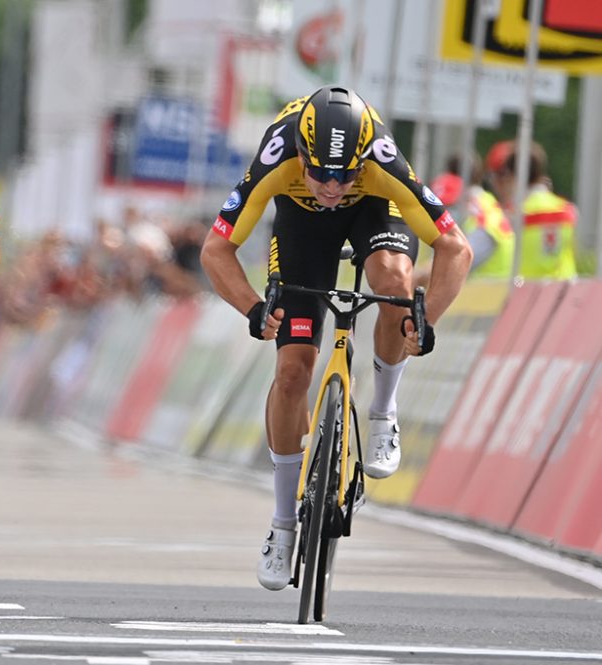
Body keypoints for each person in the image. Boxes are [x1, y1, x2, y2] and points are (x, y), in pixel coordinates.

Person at [200, 85, 472, 591]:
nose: (331, 184)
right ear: (300, 155)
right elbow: (216, 251)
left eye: (344, 172)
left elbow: (455, 248)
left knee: (393, 285)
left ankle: (383, 410)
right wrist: (254, 310)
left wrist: (424, 318)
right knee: (292, 371)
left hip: (374, 210)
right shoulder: (277, 154)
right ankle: (283, 523)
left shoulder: (382, 161)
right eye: (320, 172)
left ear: (363, 158)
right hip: (301, 227)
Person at [418, 153, 514, 284]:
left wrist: (415, 277)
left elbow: (459, 260)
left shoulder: (482, 215)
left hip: (484, 296)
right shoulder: (486, 205)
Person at [487, 141, 576, 280]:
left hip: (525, 292)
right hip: (563, 291)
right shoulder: (568, 210)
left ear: (512, 175)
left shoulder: (511, 215)